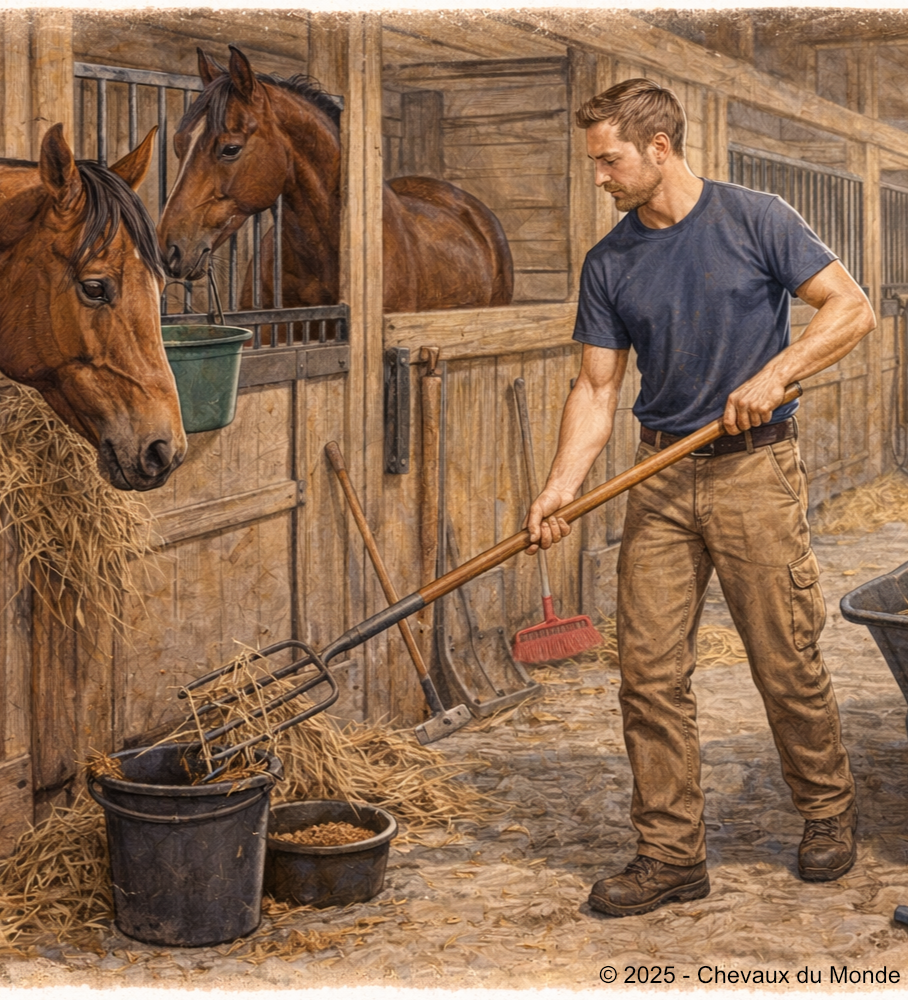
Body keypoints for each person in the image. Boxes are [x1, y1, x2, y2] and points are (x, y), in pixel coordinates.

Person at [526, 79, 875, 918]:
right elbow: (597, 388)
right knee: (647, 677)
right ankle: (670, 854)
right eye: (593, 162)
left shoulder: (756, 218)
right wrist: (561, 484)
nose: (599, 177)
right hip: (660, 479)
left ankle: (828, 815)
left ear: (659, 147)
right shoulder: (609, 260)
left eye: (608, 160)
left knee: (783, 658)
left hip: (755, 469)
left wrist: (776, 372)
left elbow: (852, 309)